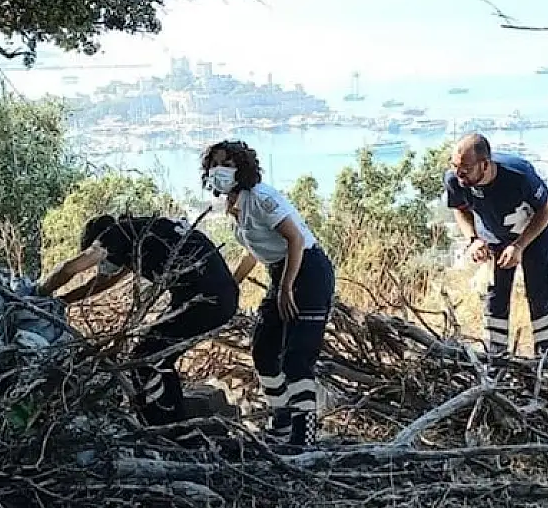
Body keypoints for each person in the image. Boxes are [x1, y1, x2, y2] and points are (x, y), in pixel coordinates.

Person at [37, 213, 239, 426]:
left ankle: (161, 424)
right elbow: (105, 281)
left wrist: (41, 293)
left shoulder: (112, 235)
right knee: (158, 356)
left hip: (204, 300)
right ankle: (174, 420)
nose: (104, 265)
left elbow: (70, 268)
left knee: (146, 358)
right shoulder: (139, 235)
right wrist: (62, 301)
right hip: (216, 296)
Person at [201, 140, 335, 447]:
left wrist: (287, 287)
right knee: (263, 348)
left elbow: (296, 239)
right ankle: (282, 418)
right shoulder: (233, 208)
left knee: (298, 357)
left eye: (228, 164)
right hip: (280, 272)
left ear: (242, 167)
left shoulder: (262, 197)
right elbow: (251, 254)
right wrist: (229, 285)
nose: (220, 171)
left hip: (308, 271)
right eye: (215, 164)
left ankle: (304, 436)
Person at [444, 133, 548, 364]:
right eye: (455, 165)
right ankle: (495, 357)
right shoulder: (454, 180)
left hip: (535, 232)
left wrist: (519, 245)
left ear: (485, 164)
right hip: (494, 235)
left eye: (466, 168)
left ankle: (546, 359)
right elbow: (459, 208)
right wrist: (473, 239)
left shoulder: (519, 175)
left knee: (540, 291)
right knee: (495, 294)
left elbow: (547, 208)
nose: (459, 173)